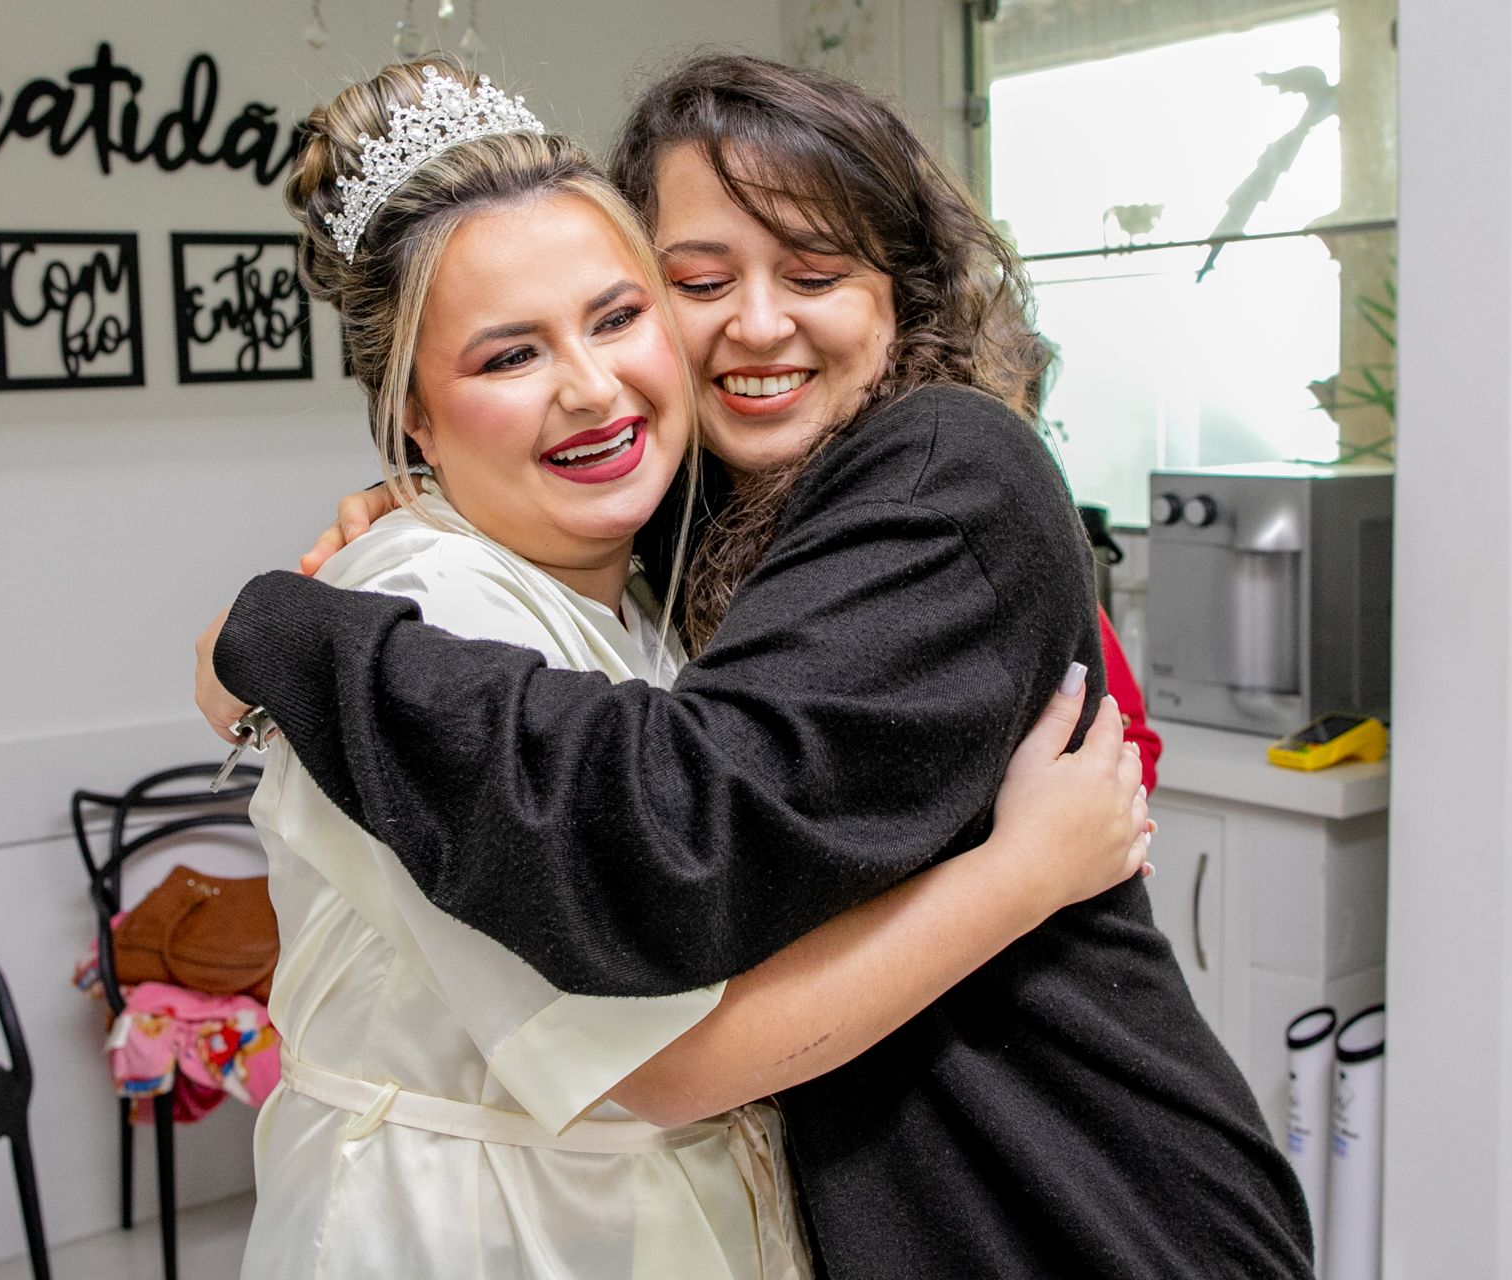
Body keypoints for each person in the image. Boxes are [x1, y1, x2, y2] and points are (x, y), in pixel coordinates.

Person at [205, 55, 1311, 1279]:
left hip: (1083, 1201)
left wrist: (276, 632)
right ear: (413, 406)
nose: (760, 322)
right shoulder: (676, 539)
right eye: (694, 283)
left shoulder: (939, 468)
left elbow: (680, 830)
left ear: (901, 294)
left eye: (818, 271)